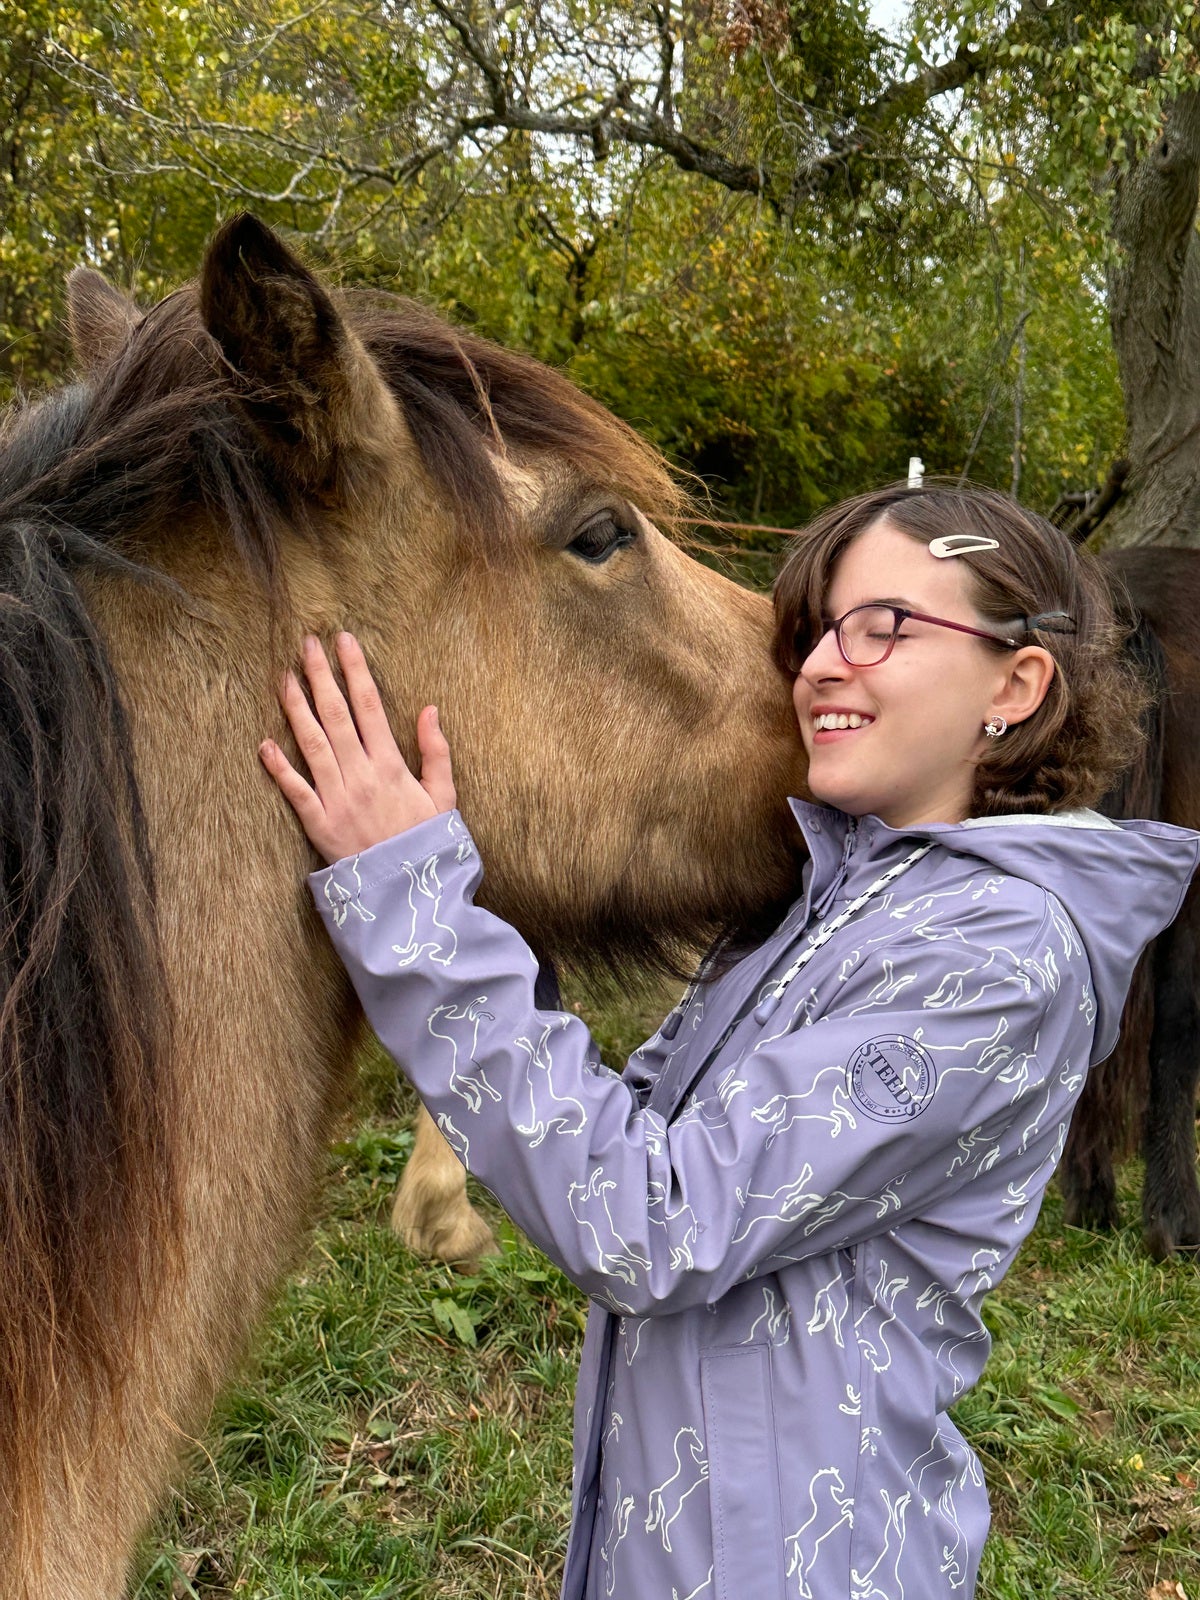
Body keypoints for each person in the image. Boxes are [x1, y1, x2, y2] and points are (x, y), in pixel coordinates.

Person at [259, 483, 1199, 1600]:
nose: (817, 666)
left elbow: (651, 1218)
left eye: (884, 626)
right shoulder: (838, 902)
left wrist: (414, 907)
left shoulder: (994, 959)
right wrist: (484, 879)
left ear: (1015, 682)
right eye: (813, 631)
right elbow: (623, 1128)